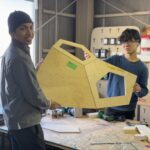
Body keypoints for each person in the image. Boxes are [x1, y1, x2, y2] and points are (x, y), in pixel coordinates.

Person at [0, 11, 59, 150]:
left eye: (31, 27)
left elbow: (17, 82)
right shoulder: (19, 57)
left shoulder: (10, 52)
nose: (29, 32)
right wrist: (49, 103)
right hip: (26, 124)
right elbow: (32, 94)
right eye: (22, 28)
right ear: (12, 33)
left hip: (15, 121)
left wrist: (34, 70)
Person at [85, 28, 149, 121]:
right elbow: (98, 66)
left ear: (138, 43)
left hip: (128, 111)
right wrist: (92, 60)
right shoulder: (115, 60)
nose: (126, 44)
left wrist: (139, 89)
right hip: (110, 108)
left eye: (130, 41)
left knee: (125, 135)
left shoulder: (142, 68)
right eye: (124, 41)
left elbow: (144, 91)